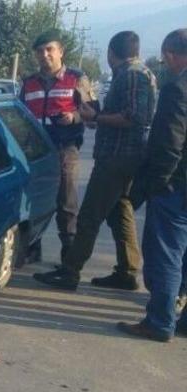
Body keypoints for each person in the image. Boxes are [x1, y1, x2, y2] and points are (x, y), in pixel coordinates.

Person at [34, 31, 157, 291]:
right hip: (123, 156)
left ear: (111, 53)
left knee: (89, 216)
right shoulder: (141, 73)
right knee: (119, 212)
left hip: (117, 157)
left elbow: (134, 118)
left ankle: (70, 271)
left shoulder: (132, 75)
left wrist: (95, 117)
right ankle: (127, 271)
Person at [116, 29, 187, 341]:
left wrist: (159, 183)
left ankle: (159, 322)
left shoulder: (178, 89)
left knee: (165, 256)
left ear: (171, 53)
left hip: (176, 187)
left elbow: (170, 144)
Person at [20, 30, 98, 265]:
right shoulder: (29, 82)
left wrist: (74, 117)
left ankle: (69, 257)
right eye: (39, 51)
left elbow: (94, 116)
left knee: (66, 202)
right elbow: (19, 114)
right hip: (35, 152)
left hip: (65, 148)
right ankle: (32, 247)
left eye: (49, 49)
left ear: (61, 51)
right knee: (32, 200)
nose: (44, 55)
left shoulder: (76, 79)